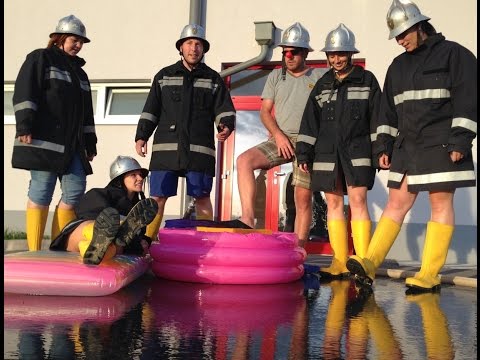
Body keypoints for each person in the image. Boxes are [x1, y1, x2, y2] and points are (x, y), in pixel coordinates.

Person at [347, 0, 477, 292]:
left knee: (440, 203)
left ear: (419, 26)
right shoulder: (397, 66)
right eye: (396, 36)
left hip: (441, 142)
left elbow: (469, 100)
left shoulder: (454, 54)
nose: (400, 40)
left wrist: (460, 140)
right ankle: (369, 262)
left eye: (404, 33)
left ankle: (429, 274)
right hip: (408, 145)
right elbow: (388, 112)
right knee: (396, 203)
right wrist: (384, 146)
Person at [135, 24, 236, 239]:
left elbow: (224, 108)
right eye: (189, 43)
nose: (194, 48)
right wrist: (142, 135)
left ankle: (206, 242)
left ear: (204, 49)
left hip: (199, 150)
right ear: (180, 47)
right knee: (158, 197)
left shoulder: (213, 79)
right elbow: (151, 108)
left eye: (198, 44)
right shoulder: (164, 76)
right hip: (166, 149)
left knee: (202, 196)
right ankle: (146, 242)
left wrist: (225, 125)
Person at [295, 23, 381, 277]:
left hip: (358, 150)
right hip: (327, 153)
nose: (336, 59)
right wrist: (303, 152)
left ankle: (364, 262)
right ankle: (340, 262)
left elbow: (378, 117)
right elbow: (310, 122)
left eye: (341, 54)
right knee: (333, 203)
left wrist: (381, 150)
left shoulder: (367, 80)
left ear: (350, 54)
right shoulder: (322, 85)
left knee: (357, 201)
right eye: (332, 55)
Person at [11, 15, 97, 251]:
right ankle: (34, 250)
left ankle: (57, 248)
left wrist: (90, 143)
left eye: (81, 41)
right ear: (59, 39)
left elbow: (86, 114)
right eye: (73, 39)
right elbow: (24, 92)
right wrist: (25, 125)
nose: (77, 45)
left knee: (75, 190)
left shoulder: (81, 75)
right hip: (44, 139)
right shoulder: (41, 58)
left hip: (73, 145)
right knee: (42, 189)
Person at [236, 22, 324, 246]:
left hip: (308, 143)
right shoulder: (276, 76)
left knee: (302, 199)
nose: (288, 56)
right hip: (280, 138)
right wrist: (279, 135)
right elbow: (265, 112)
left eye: (293, 52)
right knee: (244, 160)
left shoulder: (320, 76)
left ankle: (299, 250)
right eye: (285, 52)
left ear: (305, 52)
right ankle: (248, 217)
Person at [50, 156, 158, 265]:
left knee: (115, 245)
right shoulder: (100, 193)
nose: (140, 178)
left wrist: (144, 242)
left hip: (105, 250)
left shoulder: (139, 209)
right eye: (133, 175)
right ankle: (106, 238)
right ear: (120, 178)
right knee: (100, 226)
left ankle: (93, 250)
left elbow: (135, 237)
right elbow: (88, 213)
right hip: (76, 239)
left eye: (141, 175)